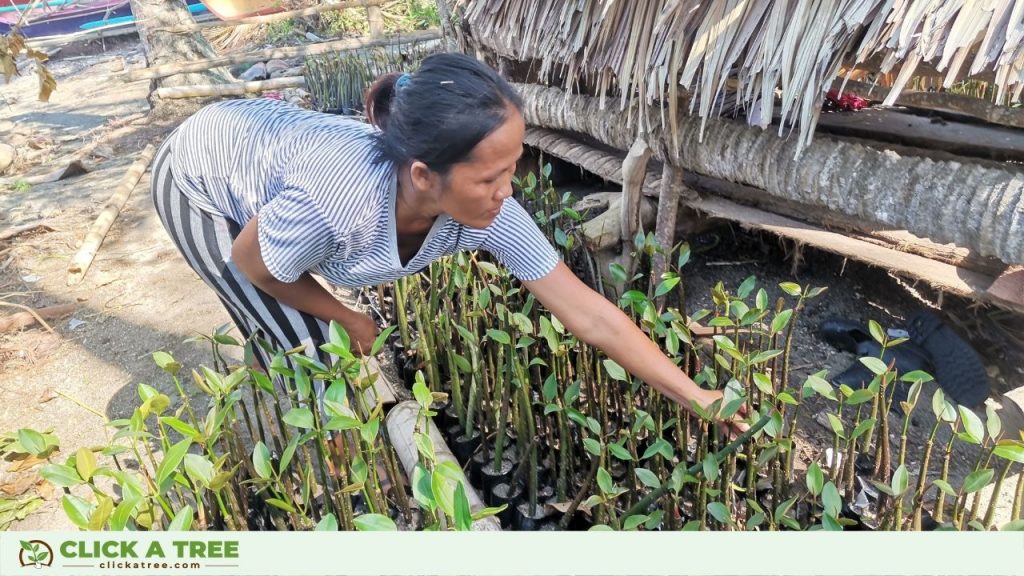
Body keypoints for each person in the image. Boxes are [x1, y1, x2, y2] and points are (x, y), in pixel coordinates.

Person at [151, 53, 746, 437]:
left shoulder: (492, 213)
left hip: (275, 172)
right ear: (422, 176)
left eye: (511, 168)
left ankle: (285, 367)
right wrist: (349, 318)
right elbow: (252, 261)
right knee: (317, 350)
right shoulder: (336, 201)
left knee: (303, 336)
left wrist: (696, 396)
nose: (505, 192)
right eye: (489, 177)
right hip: (199, 174)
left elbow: (590, 315)